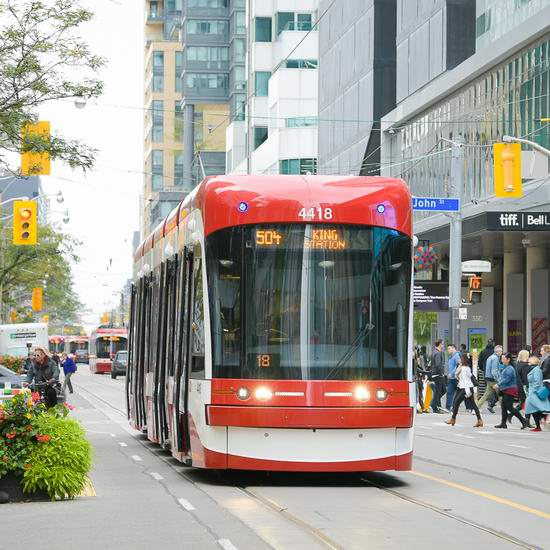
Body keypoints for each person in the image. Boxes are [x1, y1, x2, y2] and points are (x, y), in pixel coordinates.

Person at [445, 353, 483, 427]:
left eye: (460, 358)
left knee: (456, 402)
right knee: (472, 404)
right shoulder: (463, 367)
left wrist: (468, 392)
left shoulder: (464, 368)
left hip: (466, 388)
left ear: (463, 359)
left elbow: (466, 381)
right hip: (462, 387)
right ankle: (479, 420)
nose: (459, 359)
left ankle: (453, 419)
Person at [494, 352, 528, 429]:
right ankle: (503, 423)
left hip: (510, 390)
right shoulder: (506, 367)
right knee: (503, 407)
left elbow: (506, 379)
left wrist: (498, 384)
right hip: (506, 389)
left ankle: (523, 421)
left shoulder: (510, 368)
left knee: (510, 407)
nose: (502, 360)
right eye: (501, 359)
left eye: (503, 359)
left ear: (508, 359)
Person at [524, 357, 550, 432]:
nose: (528, 364)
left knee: (535, 408)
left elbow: (538, 382)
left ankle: (540, 421)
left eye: (529, 362)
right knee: (532, 409)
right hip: (531, 392)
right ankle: (538, 424)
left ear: (533, 362)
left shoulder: (537, 370)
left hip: (535, 392)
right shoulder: (534, 369)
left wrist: (534, 391)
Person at [476, 344, 503, 413]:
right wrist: (498, 379)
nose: (501, 353)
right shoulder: (495, 358)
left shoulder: (490, 357)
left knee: (486, 395)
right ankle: (505, 409)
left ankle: (476, 408)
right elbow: (494, 370)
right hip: (493, 379)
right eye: (500, 351)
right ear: (497, 352)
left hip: (488, 378)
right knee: (501, 394)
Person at [429, 339, 445, 413]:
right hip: (438, 375)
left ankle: (436, 406)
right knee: (438, 392)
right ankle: (433, 405)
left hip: (435, 374)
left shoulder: (434, 352)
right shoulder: (438, 353)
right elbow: (438, 364)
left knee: (441, 391)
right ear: (440, 344)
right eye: (442, 344)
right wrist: (441, 373)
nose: (443, 345)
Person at [445, 344, 461, 411]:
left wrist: (452, 374)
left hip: (456, 378)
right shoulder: (452, 357)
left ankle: (470, 407)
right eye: (448, 348)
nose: (448, 350)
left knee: (461, 393)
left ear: (453, 348)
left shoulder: (457, 356)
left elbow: (458, 365)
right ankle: (448, 407)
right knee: (449, 392)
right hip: (452, 378)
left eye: (449, 348)